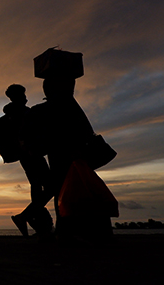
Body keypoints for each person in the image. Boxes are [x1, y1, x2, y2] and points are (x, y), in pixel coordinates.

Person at [28, 77, 113, 244]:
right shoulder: (67, 106)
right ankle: (73, 232)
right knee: (72, 191)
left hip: (65, 156)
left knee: (65, 191)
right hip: (71, 155)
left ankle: (67, 232)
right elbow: (87, 131)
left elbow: (36, 138)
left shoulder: (45, 109)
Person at [3, 84, 53, 239]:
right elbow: (23, 135)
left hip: (26, 155)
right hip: (31, 154)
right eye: (22, 95)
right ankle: (25, 217)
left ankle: (39, 225)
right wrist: (29, 148)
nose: (25, 97)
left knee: (37, 187)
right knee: (51, 186)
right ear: (16, 97)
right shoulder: (21, 113)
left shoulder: (13, 113)